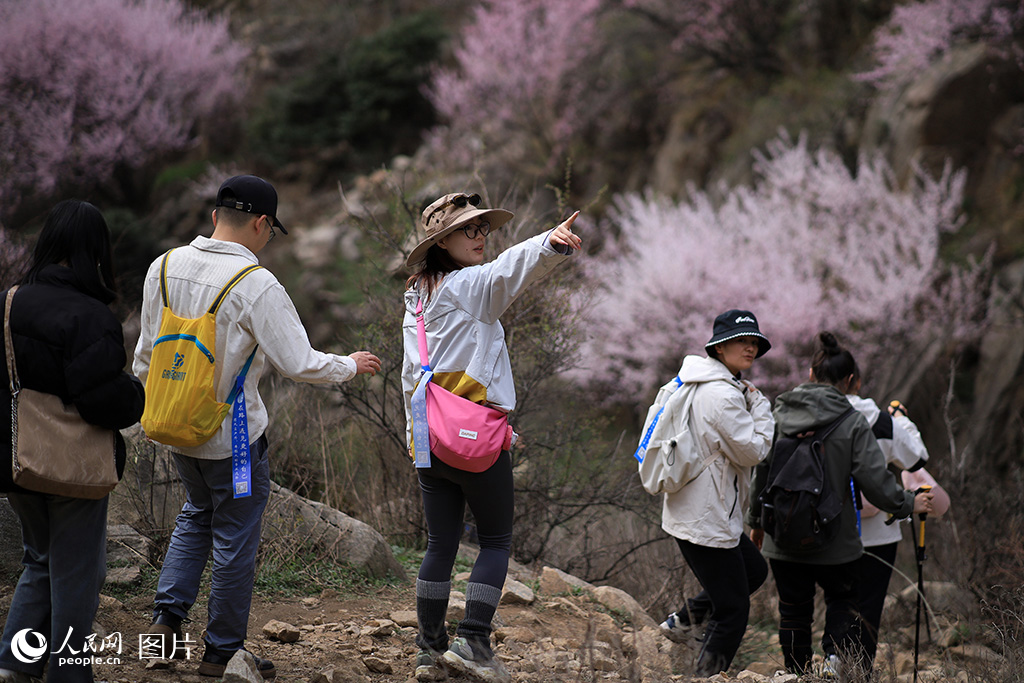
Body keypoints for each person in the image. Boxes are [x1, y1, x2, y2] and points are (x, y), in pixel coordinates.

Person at [133, 175, 381, 679]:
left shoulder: (162, 268)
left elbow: (143, 359)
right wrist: (349, 365)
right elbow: (298, 362)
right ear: (261, 223)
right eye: (271, 231)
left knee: (196, 515)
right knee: (235, 538)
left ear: (214, 216)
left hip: (174, 428)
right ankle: (221, 653)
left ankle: (164, 628)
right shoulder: (256, 284)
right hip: (235, 442)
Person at [402, 192, 581, 682]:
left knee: (440, 543)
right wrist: (549, 242)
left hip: (431, 436)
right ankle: (473, 640)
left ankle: (428, 649)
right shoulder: (467, 287)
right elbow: (507, 270)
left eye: (483, 229)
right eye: (468, 230)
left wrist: (418, 435)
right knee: (497, 541)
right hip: (473, 439)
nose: (480, 237)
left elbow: (409, 375)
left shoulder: (417, 297)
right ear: (443, 242)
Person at [0, 200, 146, 683]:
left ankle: (14, 664)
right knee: (78, 573)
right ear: (95, 252)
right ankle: (68, 674)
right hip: (72, 467)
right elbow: (102, 401)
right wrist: (136, 394)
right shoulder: (90, 316)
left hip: (18, 458)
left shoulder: (8, 301)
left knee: (39, 560)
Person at [748, 331, 934, 679]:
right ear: (851, 381)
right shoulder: (852, 422)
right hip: (836, 539)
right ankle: (834, 664)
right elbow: (877, 485)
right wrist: (909, 503)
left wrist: (756, 521)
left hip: (783, 535)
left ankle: (797, 674)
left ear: (809, 374)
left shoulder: (777, 414)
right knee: (843, 600)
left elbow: (762, 469)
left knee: (793, 611)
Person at [657, 309, 774, 677]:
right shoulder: (723, 395)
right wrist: (762, 407)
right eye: (742, 341)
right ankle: (706, 676)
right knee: (734, 610)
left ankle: (683, 621)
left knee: (754, 570)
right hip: (706, 514)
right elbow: (753, 450)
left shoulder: (694, 380)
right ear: (720, 348)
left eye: (754, 342)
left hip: (696, 507)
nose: (751, 348)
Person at [848, 392, 950, 668]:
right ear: (854, 381)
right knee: (869, 605)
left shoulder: (818, 418)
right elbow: (917, 455)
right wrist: (902, 420)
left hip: (833, 526)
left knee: (840, 602)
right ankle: (861, 670)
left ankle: (835, 662)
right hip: (879, 529)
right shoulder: (882, 422)